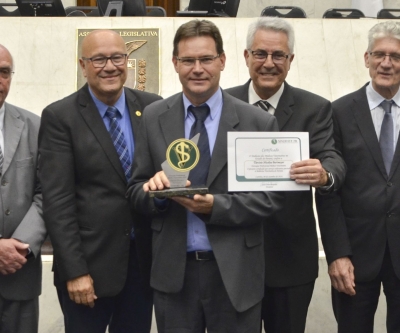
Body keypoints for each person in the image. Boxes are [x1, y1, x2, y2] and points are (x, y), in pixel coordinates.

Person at [127, 19, 282, 333]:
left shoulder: (256, 121)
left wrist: (215, 207)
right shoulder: (154, 117)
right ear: (175, 64)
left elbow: (269, 198)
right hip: (174, 276)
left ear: (222, 61)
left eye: (206, 59)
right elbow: (134, 190)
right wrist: (154, 193)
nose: (197, 69)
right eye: (187, 60)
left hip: (235, 275)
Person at [225, 17, 346, 333]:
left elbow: (331, 157)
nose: (269, 63)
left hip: (291, 259)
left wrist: (325, 174)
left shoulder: (314, 107)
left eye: (278, 55)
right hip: (232, 256)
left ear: (290, 60)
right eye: (260, 54)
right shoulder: (221, 104)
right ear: (246, 56)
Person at [38, 30, 162, 333]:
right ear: (83, 65)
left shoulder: (152, 108)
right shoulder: (60, 116)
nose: (110, 66)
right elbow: (58, 202)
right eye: (98, 59)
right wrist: (75, 271)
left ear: (127, 60)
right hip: (88, 268)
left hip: (142, 265)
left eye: (117, 57)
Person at [316, 21, 400, 333]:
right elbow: (327, 190)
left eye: (395, 56)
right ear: (366, 58)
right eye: (379, 54)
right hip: (354, 258)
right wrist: (337, 254)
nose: (386, 63)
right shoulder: (337, 112)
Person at [0, 44, 45, 333]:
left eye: (4, 72)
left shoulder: (35, 125)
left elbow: (48, 193)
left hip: (19, 270)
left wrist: (19, 246)